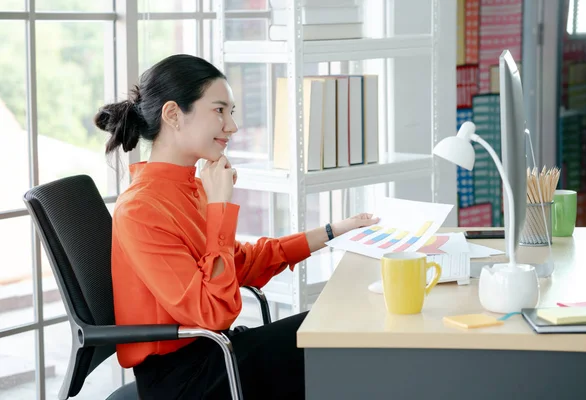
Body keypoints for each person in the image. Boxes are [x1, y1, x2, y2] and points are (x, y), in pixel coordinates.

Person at [95, 54, 378, 400]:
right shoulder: (141, 209)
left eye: (232, 112)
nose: (232, 126)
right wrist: (220, 209)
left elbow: (240, 263)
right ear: (173, 115)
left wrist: (334, 231)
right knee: (343, 336)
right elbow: (211, 313)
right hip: (185, 380)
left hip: (219, 353)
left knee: (344, 323)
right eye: (219, 110)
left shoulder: (190, 187)